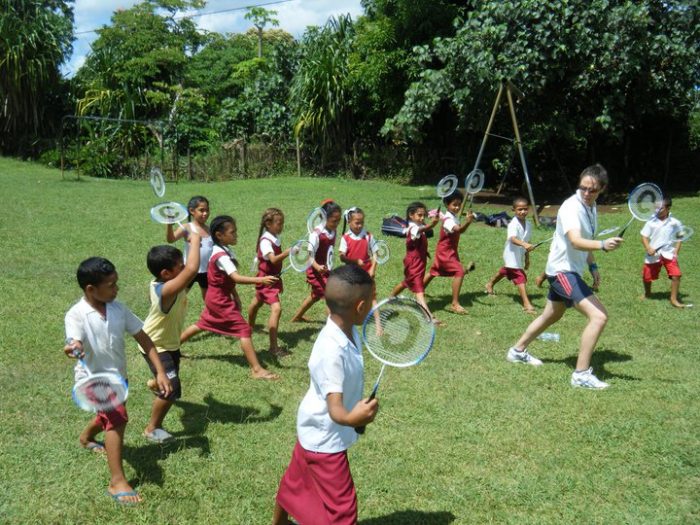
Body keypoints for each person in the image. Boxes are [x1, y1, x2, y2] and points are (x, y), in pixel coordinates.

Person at [272, 265, 379, 525]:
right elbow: (336, 410)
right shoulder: (331, 351)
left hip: (313, 428)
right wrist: (354, 418)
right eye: (372, 301)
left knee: (294, 483)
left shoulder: (347, 328)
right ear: (360, 307)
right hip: (325, 439)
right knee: (343, 511)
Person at [64, 257, 172, 504]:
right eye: (111, 285)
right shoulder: (76, 315)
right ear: (91, 289)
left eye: (116, 283)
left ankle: (86, 438)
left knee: (110, 415)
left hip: (118, 379)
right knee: (116, 420)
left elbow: (144, 338)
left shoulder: (118, 309)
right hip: (93, 380)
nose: (117, 289)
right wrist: (73, 346)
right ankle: (117, 482)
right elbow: (73, 340)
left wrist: (160, 371)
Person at [505, 164, 623, 388]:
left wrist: (593, 266)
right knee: (599, 316)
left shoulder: (591, 207)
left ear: (602, 189)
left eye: (592, 190)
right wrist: (603, 245)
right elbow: (576, 241)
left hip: (567, 270)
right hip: (562, 272)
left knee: (551, 315)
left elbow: (585, 241)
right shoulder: (571, 207)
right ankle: (581, 374)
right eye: (583, 188)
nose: (586, 193)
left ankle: (517, 351)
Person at [180, 215, 281, 380]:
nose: (236, 235)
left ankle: (172, 348)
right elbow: (236, 278)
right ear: (219, 235)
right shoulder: (221, 255)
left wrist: (236, 296)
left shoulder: (224, 249)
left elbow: (227, 279)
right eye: (232, 232)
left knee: (202, 324)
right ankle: (256, 370)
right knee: (244, 330)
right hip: (219, 300)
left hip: (216, 297)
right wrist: (261, 280)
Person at [140, 231, 201, 444]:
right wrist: (195, 240)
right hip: (155, 345)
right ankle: (152, 429)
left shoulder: (170, 284)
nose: (184, 269)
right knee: (171, 388)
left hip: (170, 343)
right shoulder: (166, 291)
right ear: (166, 273)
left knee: (169, 381)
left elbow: (191, 273)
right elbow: (192, 269)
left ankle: (156, 381)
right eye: (179, 267)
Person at [422, 191, 476, 315]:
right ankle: (455, 304)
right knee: (459, 271)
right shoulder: (448, 220)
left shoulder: (453, 216)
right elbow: (459, 230)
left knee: (434, 271)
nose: (457, 207)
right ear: (447, 205)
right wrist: (468, 222)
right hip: (445, 252)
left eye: (459, 205)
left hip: (449, 251)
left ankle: (419, 291)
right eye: (454, 205)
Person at [248, 208, 292, 357]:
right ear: (268, 224)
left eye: (282, 223)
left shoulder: (274, 237)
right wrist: (287, 253)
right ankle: (273, 348)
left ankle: (248, 328)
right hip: (267, 280)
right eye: (279, 223)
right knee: (276, 309)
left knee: (257, 302)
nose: (281, 226)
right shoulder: (266, 241)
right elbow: (273, 259)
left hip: (270, 278)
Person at [389, 201, 441, 324]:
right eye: (419, 215)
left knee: (407, 282)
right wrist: (432, 224)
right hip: (413, 263)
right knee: (419, 289)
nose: (422, 218)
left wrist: (425, 252)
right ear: (411, 215)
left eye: (424, 215)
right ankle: (429, 316)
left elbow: (418, 242)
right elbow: (420, 230)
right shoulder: (413, 228)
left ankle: (390, 297)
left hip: (419, 261)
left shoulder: (418, 226)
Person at [291, 200, 342, 323]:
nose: (337, 223)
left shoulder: (333, 231)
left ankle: (297, 317)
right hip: (315, 271)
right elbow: (309, 257)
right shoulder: (316, 235)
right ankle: (333, 325)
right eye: (334, 221)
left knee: (315, 296)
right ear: (324, 218)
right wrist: (318, 267)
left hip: (326, 270)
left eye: (338, 220)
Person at [485, 196, 537, 314]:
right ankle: (526, 304)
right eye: (519, 209)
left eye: (525, 209)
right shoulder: (513, 224)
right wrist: (524, 244)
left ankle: (489, 284)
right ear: (514, 210)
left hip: (520, 254)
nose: (523, 212)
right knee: (520, 276)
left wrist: (527, 258)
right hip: (511, 253)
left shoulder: (529, 224)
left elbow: (527, 241)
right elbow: (512, 239)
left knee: (506, 270)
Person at [640, 196, 692, 308]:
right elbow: (644, 236)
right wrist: (648, 248)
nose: (657, 210)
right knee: (646, 275)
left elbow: (680, 237)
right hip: (654, 254)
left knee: (676, 275)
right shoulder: (651, 222)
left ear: (668, 208)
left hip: (669, 253)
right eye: (655, 207)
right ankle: (647, 293)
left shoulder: (675, 222)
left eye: (660, 208)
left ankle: (673, 299)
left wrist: (676, 251)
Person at [166, 195, 213, 300]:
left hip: (206, 271)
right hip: (189, 270)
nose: (205, 213)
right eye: (201, 210)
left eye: (207, 210)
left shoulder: (209, 229)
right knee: (178, 297)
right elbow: (171, 239)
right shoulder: (187, 227)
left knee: (209, 299)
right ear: (192, 211)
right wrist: (169, 224)